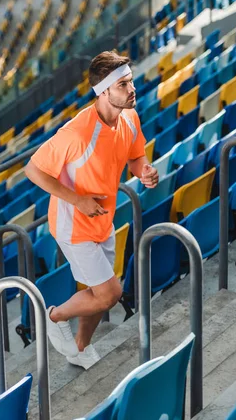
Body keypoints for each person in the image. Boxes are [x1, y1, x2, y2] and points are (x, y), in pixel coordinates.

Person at [25, 51, 159, 369]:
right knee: (109, 292)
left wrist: (144, 171)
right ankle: (53, 315)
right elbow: (33, 170)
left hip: (103, 217)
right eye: (123, 84)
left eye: (130, 81)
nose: (132, 89)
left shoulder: (129, 118)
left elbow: (135, 156)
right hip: (73, 223)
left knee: (98, 293)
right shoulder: (77, 133)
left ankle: (81, 347)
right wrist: (77, 199)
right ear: (104, 91)